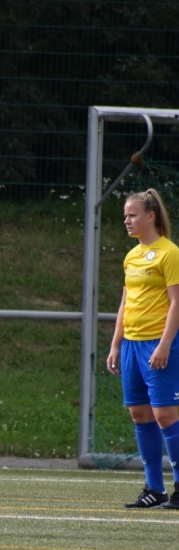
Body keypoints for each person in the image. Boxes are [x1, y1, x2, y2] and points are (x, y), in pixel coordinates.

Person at [107, 188, 179, 509]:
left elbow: (176, 302)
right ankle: (154, 489)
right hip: (131, 347)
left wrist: (165, 344)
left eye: (132, 215)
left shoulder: (170, 253)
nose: (127, 220)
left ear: (151, 216)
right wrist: (115, 344)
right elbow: (125, 303)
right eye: (125, 215)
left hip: (158, 344)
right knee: (140, 413)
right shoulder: (131, 256)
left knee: (165, 414)